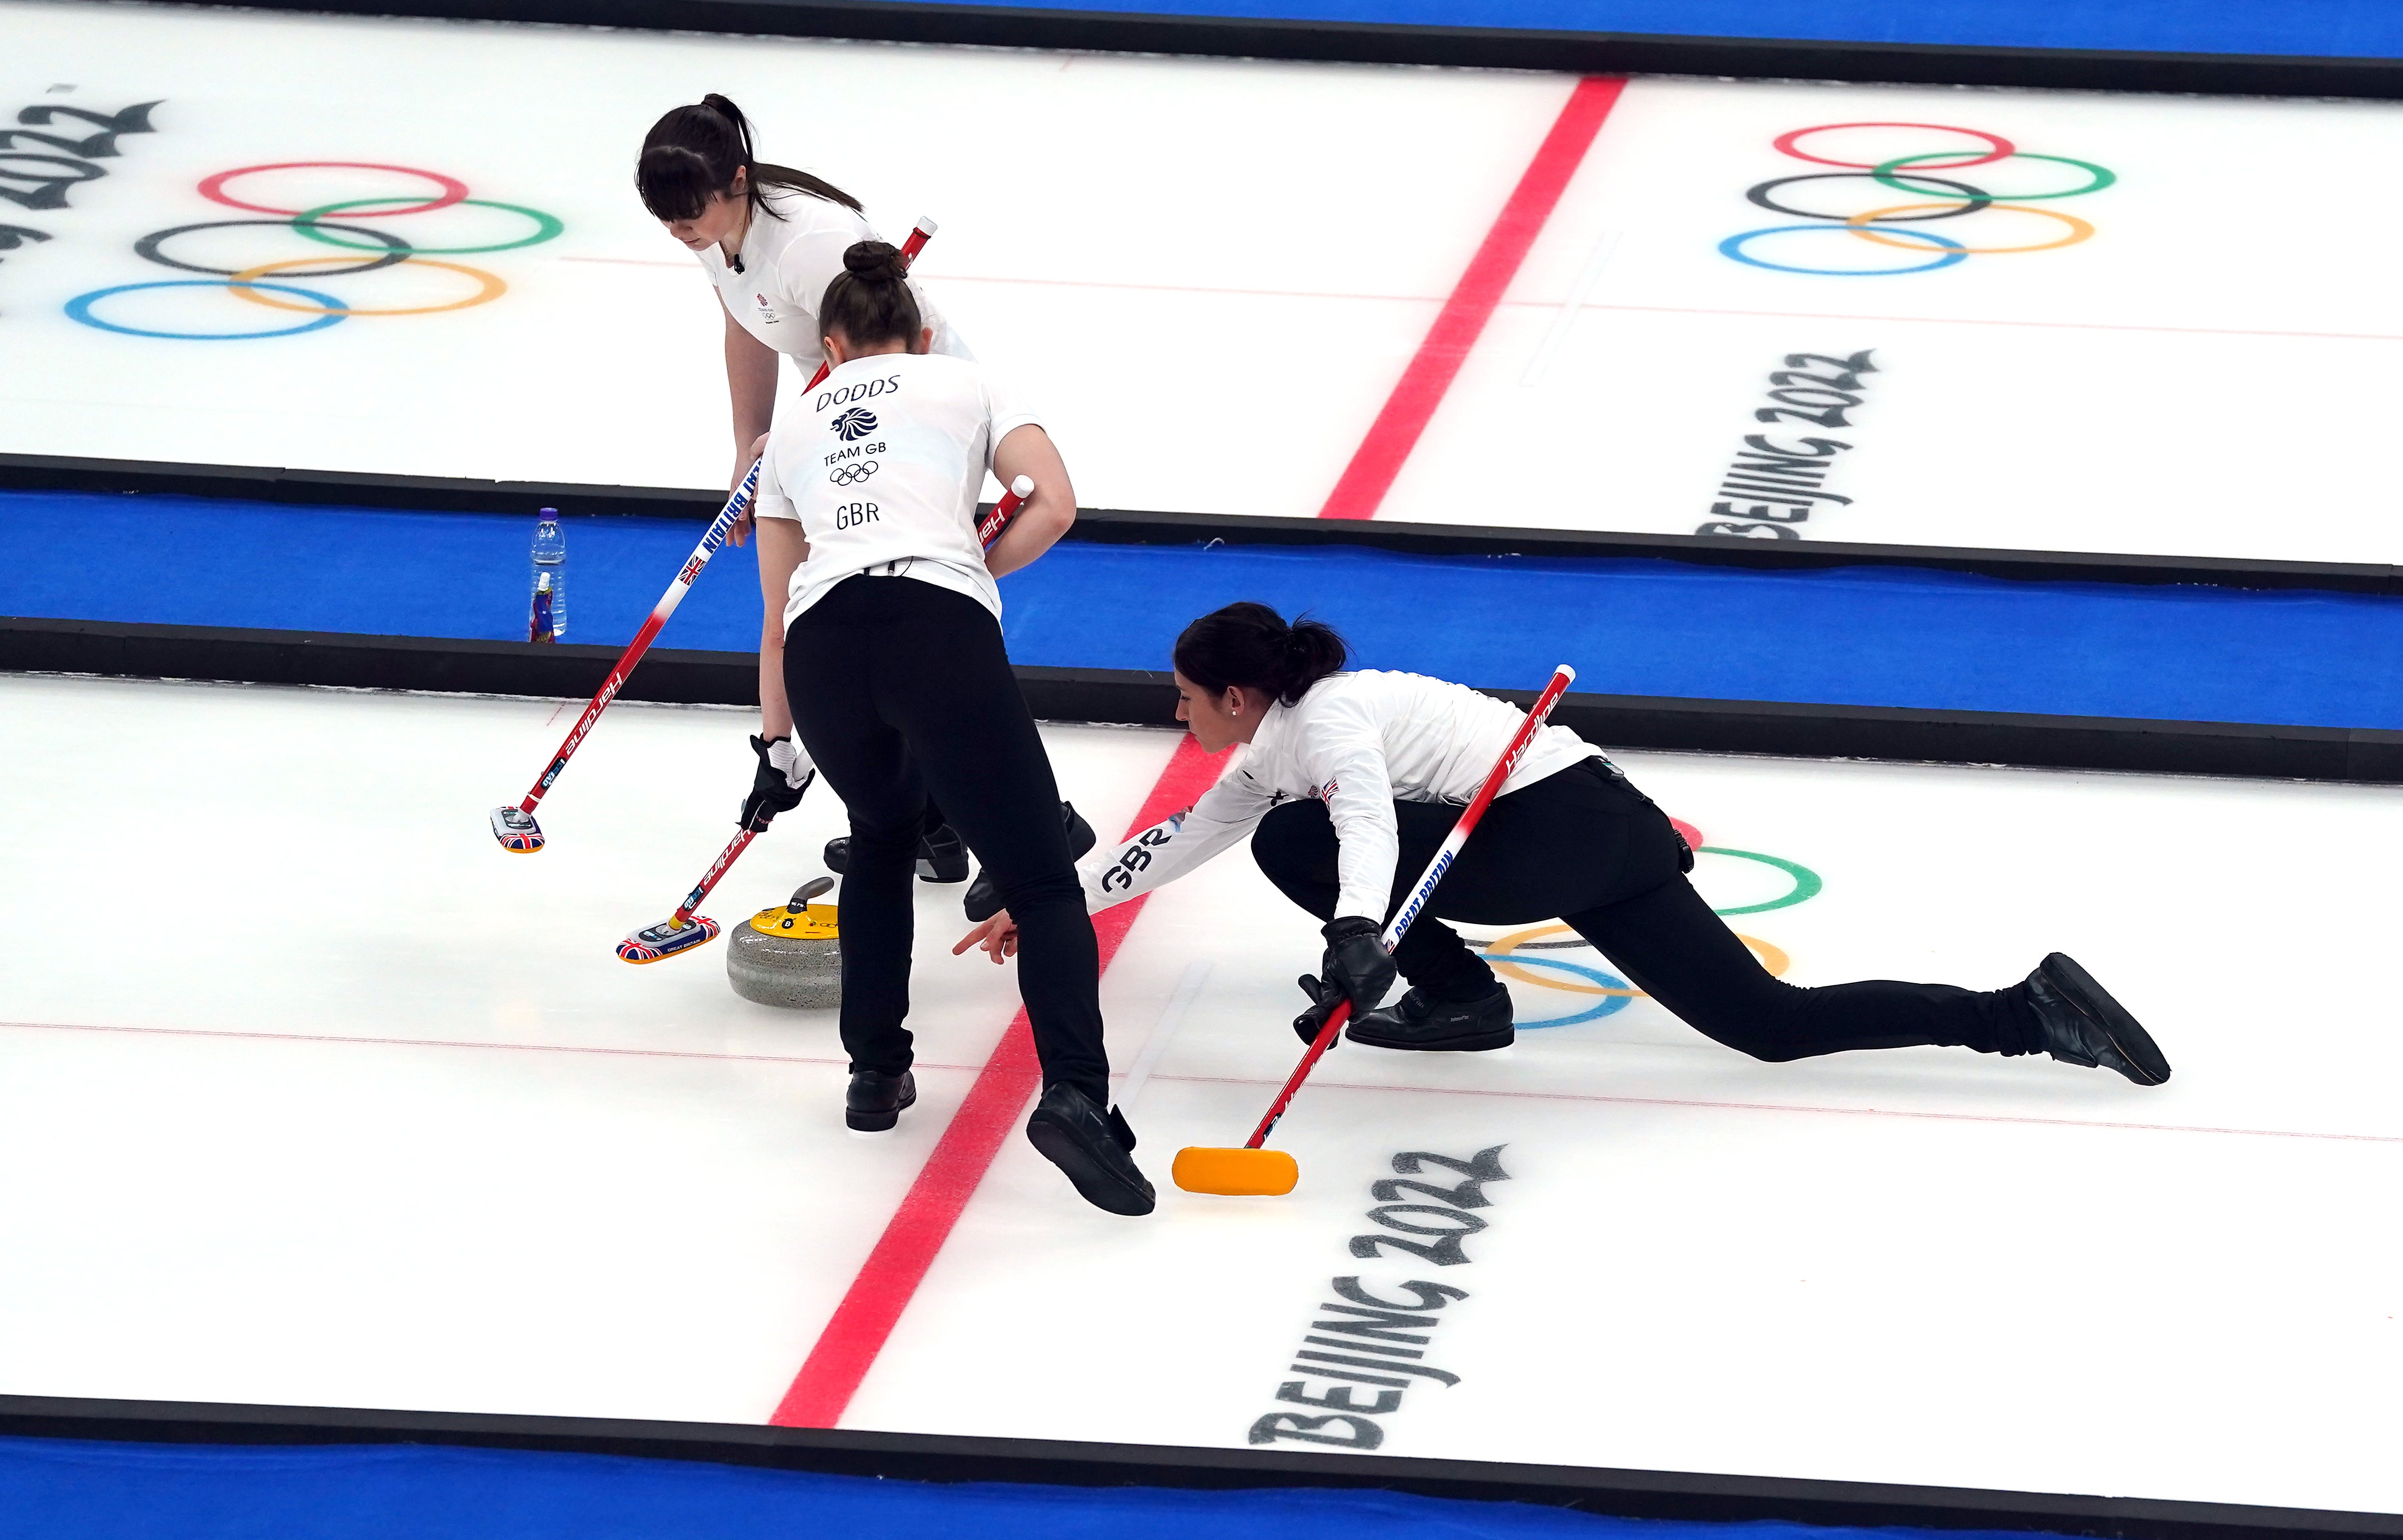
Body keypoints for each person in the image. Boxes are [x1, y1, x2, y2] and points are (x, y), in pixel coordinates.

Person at [956, 602, 2170, 1084]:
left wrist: (1352, 935)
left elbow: (1367, 825)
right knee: (1767, 1026)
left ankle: (1453, 994)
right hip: (1593, 833)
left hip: (1554, 824)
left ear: (1230, 693)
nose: (1173, 711)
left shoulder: (1328, 719)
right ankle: (2026, 1010)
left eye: (1181, 693)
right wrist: (1049, 898)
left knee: (1299, 846)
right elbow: (1169, 844)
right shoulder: (1266, 750)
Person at [745, 240, 1155, 1217]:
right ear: (921, 336)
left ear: (831, 350)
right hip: (937, 629)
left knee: (882, 842)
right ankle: (1076, 1098)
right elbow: (1055, 505)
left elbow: (772, 617)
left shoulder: (793, 426)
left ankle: (875, 1073)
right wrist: (972, 569)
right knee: (1041, 880)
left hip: (823, 646)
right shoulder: (963, 383)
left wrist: (775, 749)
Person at [638, 94, 970, 884]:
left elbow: (882, 357)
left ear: (738, 182)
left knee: (884, 624)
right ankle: (923, 818)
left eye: (690, 214)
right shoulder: (714, 229)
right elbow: (744, 327)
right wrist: (746, 453)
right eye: (667, 220)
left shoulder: (813, 244)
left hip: (910, 416)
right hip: (833, 422)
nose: (681, 232)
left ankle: (1018, 821)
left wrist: (792, 447)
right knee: (832, 619)